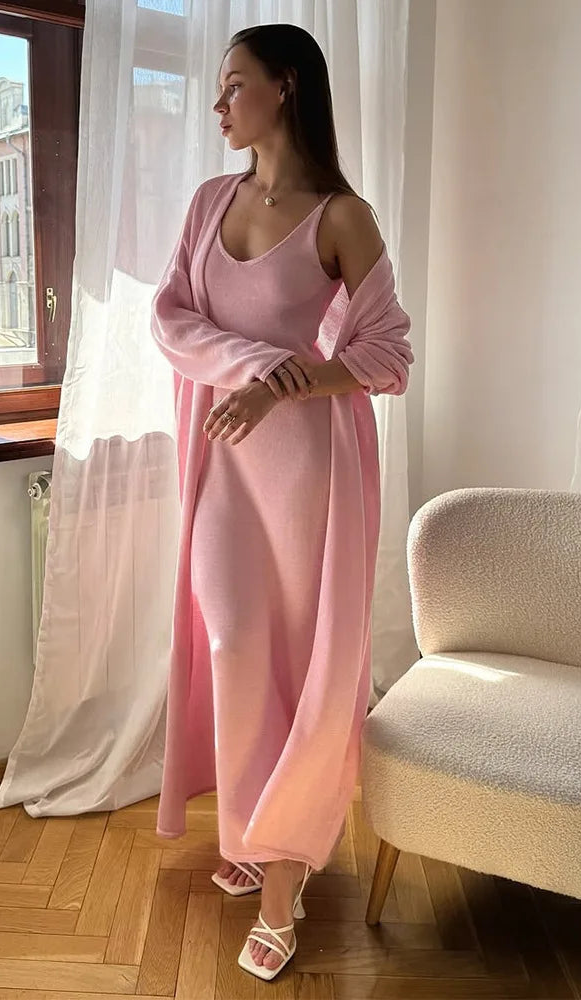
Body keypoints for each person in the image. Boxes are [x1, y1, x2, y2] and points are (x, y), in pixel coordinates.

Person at [150, 23, 413, 981]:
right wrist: (256, 366)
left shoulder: (341, 216)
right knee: (231, 648)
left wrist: (286, 385)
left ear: (287, 87)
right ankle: (254, 829)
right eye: (219, 90)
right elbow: (169, 318)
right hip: (227, 468)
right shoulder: (209, 200)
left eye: (234, 86)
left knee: (301, 665)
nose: (219, 106)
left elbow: (387, 357)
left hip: (307, 473)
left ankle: (280, 882)